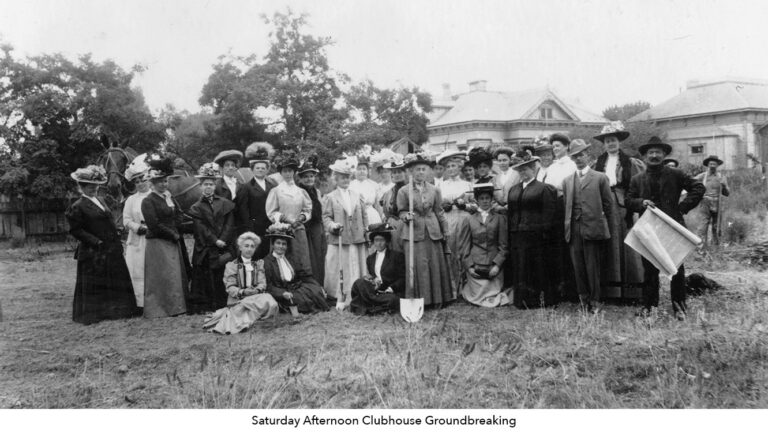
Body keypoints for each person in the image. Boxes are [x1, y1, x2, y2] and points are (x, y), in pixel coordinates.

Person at [627, 136, 705, 320]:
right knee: (649, 269)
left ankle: (679, 306)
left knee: (676, 267)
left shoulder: (675, 174)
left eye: (658, 152)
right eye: (650, 152)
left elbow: (698, 187)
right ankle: (649, 307)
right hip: (648, 229)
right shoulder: (637, 179)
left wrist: (683, 207)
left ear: (664, 154)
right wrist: (641, 202)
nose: (654, 155)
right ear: (645, 156)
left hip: (672, 226)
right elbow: (628, 200)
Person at [66, 165, 140, 324]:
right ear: (81, 187)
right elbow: (76, 230)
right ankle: (96, 313)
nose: (93, 189)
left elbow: (107, 221)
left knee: (114, 278)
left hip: (111, 247)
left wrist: (116, 233)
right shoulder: (77, 206)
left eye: (95, 186)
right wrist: (96, 242)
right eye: (89, 186)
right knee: (96, 281)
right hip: (94, 251)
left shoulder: (100, 200)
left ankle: (118, 311)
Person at [593, 122, 646, 299]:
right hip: (604, 205)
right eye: (607, 141)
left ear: (619, 142)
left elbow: (639, 185)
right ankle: (610, 291)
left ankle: (632, 291)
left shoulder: (630, 162)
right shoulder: (598, 163)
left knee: (627, 243)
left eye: (613, 140)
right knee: (609, 243)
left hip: (624, 206)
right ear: (604, 143)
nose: (611, 144)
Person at [562, 140, 613, 313]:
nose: (578, 159)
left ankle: (595, 300)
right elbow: (566, 207)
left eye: (581, 155)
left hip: (593, 228)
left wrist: (606, 228)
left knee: (593, 266)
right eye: (575, 156)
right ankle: (583, 299)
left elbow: (608, 206)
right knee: (578, 266)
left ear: (588, 156)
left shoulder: (600, 177)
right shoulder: (567, 180)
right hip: (574, 228)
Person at [398, 151, 454, 307]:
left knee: (435, 265)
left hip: (433, 231)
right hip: (414, 232)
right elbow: (401, 211)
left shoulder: (434, 189)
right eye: (417, 169)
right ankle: (422, 300)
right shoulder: (404, 191)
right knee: (419, 266)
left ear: (428, 171)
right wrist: (406, 216)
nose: (421, 172)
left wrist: (445, 230)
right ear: (411, 171)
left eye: (423, 169)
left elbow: (439, 211)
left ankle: (439, 299)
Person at [142, 156, 190, 318]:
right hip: (158, 241)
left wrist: (178, 227)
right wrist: (173, 234)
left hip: (173, 239)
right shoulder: (148, 201)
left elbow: (179, 214)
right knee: (165, 275)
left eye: (165, 181)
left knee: (175, 274)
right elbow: (153, 225)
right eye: (160, 182)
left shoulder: (169, 197)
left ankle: (178, 306)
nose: (164, 184)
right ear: (152, 184)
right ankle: (162, 308)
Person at [203, 232, 279, 334]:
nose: (249, 249)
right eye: (246, 246)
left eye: (252, 246)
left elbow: (262, 282)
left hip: (255, 297)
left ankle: (251, 317)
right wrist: (243, 292)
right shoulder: (231, 265)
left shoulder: (258, 264)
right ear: (240, 248)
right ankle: (242, 316)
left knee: (271, 301)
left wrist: (256, 290)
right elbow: (230, 287)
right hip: (238, 299)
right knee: (243, 310)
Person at [506, 157, 557, 308]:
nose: (523, 172)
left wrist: (544, 232)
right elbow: (511, 213)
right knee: (520, 266)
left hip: (536, 235)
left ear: (533, 169)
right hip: (517, 234)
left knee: (536, 266)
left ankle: (538, 300)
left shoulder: (544, 188)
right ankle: (521, 300)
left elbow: (549, 213)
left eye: (525, 169)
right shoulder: (514, 189)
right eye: (520, 170)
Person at [187, 163, 236, 313]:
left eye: (211, 184)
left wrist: (224, 239)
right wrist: (215, 240)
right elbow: (201, 228)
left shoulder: (224, 203)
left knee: (222, 274)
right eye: (205, 184)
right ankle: (206, 305)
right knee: (205, 275)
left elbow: (229, 223)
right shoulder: (196, 207)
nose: (208, 187)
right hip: (206, 246)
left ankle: (223, 302)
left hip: (223, 245)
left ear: (215, 186)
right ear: (201, 186)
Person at [323, 157, 369, 310]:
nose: (345, 180)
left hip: (356, 237)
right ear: (335, 179)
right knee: (341, 266)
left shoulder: (357, 195)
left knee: (356, 265)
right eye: (342, 177)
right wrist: (333, 226)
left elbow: (364, 216)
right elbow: (326, 217)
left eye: (348, 177)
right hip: (339, 238)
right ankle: (340, 296)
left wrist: (366, 231)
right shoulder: (330, 197)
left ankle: (357, 294)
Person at [534, 139, 577, 302]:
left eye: (558, 146)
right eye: (553, 147)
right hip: (553, 207)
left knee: (568, 246)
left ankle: (571, 290)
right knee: (555, 249)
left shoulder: (571, 165)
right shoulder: (551, 167)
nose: (555, 149)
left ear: (567, 147)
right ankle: (557, 289)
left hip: (567, 204)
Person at [457, 183, 510, 307]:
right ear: (476, 200)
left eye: (487, 198)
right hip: (476, 266)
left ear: (492, 200)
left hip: (493, 267)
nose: (485, 201)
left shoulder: (500, 218)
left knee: (493, 292)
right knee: (476, 294)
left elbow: (504, 246)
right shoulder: (469, 219)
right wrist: (469, 267)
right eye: (482, 198)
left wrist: (497, 265)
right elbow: (464, 246)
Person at [265, 150, 313, 276]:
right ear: (280, 173)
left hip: (298, 229)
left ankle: (300, 284)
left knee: (300, 259)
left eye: (290, 171)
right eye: (284, 171)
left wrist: (302, 218)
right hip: (282, 229)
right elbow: (271, 212)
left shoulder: (301, 192)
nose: (287, 174)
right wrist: (285, 219)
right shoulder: (276, 191)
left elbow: (307, 209)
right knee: (283, 258)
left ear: (294, 172)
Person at [263, 223, 331, 314]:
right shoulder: (267, 262)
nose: (281, 246)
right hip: (284, 292)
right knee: (301, 301)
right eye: (278, 243)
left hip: (297, 287)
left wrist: (317, 286)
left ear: (287, 246)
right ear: (273, 245)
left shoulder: (291, 258)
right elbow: (269, 286)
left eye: (284, 244)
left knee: (316, 291)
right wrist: (282, 293)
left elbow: (303, 275)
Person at [349, 223, 406, 315]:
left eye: (381, 240)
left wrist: (392, 288)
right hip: (376, 291)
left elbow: (403, 278)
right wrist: (373, 281)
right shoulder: (370, 259)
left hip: (389, 292)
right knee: (359, 283)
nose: (379, 243)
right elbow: (373, 276)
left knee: (392, 300)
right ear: (373, 241)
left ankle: (370, 304)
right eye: (376, 240)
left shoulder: (396, 256)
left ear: (387, 241)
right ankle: (374, 304)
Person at [237, 142, 278, 259]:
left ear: (267, 170)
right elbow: (243, 210)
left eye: (263, 168)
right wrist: (250, 228)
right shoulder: (246, 187)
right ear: (253, 169)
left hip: (270, 226)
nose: (260, 170)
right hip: (254, 228)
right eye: (258, 168)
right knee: (256, 255)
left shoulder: (272, 185)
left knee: (269, 254)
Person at [122, 154, 151, 310]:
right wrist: (137, 227)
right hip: (138, 240)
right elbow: (126, 220)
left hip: (154, 239)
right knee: (138, 269)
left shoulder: (155, 196)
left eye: (143, 180)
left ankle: (155, 299)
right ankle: (140, 302)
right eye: (137, 181)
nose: (140, 184)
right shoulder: (131, 200)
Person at [297, 155, 327, 284]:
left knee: (320, 255)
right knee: (310, 257)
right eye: (306, 176)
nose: (309, 179)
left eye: (311, 176)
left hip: (317, 227)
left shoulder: (316, 191)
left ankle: (321, 284)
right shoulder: (299, 191)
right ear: (301, 178)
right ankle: (312, 285)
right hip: (307, 228)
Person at [694, 155, 730, 247]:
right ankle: (701, 248)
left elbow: (727, 193)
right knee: (703, 225)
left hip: (718, 203)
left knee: (716, 226)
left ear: (717, 165)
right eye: (711, 163)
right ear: (708, 165)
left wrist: (724, 186)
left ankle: (716, 247)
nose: (712, 165)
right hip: (705, 203)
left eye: (714, 163)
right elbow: (690, 183)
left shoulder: (722, 177)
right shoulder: (702, 176)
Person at [379, 159, 407, 252]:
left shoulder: (411, 190)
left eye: (399, 172)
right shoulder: (388, 193)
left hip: (407, 226)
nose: (396, 175)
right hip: (393, 227)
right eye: (394, 172)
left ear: (405, 172)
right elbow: (386, 212)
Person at [350, 153, 382, 225]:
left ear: (367, 171)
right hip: (355, 215)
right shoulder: (350, 185)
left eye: (364, 169)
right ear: (355, 171)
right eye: (359, 169)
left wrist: (381, 216)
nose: (361, 171)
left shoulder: (373, 185)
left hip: (371, 215)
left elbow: (377, 204)